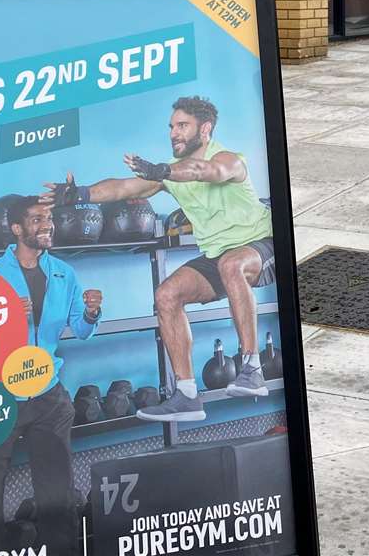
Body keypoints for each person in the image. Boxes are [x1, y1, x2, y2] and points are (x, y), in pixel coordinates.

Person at [45, 95, 274, 422]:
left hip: (262, 244)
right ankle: (186, 396)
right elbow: (124, 188)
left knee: (231, 264)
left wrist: (163, 170)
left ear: (204, 129)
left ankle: (251, 369)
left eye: (183, 126)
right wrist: (78, 194)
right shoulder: (170, 173)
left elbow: (203, 170)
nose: (174, 133)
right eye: (171, 126)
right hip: (219, 256)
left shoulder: (229, 160)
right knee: (166, 295)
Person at [0, 196, 103, 553]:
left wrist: (91, 312)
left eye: (50, 218)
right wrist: (6, 315)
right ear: (17, 228)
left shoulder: (62, 272)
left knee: (56, 491)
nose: (47, 225)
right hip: (1, 394)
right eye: (38, 219)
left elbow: (81, 330)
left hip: (47, 393)